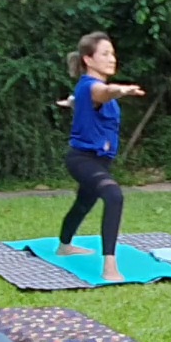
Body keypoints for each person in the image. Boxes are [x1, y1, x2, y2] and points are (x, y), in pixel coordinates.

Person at [54, 32, 144, 282]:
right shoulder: (93, 87)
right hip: (82, 159)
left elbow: (87, 100)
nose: (112, 58)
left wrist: (72, 103)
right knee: (113, 196)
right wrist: (120, 90)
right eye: (105, 54)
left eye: (112, 53)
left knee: (84, 203)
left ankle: (64, 246)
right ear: (89, 59)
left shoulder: (83, 89)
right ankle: (110, 267)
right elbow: (102, 92)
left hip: (101, 161)